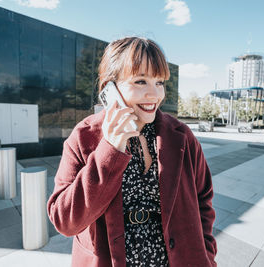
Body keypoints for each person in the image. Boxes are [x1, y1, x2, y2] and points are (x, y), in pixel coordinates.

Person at [47, 37, 217, 267]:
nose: (155, 95)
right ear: (110, 87)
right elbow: (64, 221)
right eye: (140, 81)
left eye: (159, 82)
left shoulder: (182, 136)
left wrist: (206, 255)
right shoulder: (84, 137)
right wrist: (110, 149)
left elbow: (204, 200)